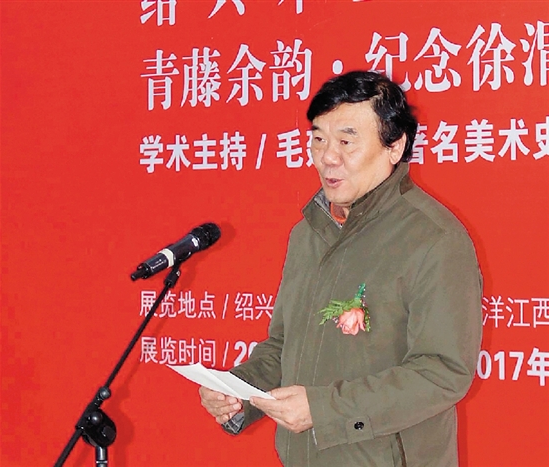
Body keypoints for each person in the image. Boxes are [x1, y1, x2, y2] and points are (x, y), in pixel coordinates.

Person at [199, 70, 482, 467]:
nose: (328, 157)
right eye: (319, 139)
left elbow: (442, 373)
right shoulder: (308, 234)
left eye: (347, 141)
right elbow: (283, 347)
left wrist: (324, 409)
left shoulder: (433, 238)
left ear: (395, 146)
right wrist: (238, 390)